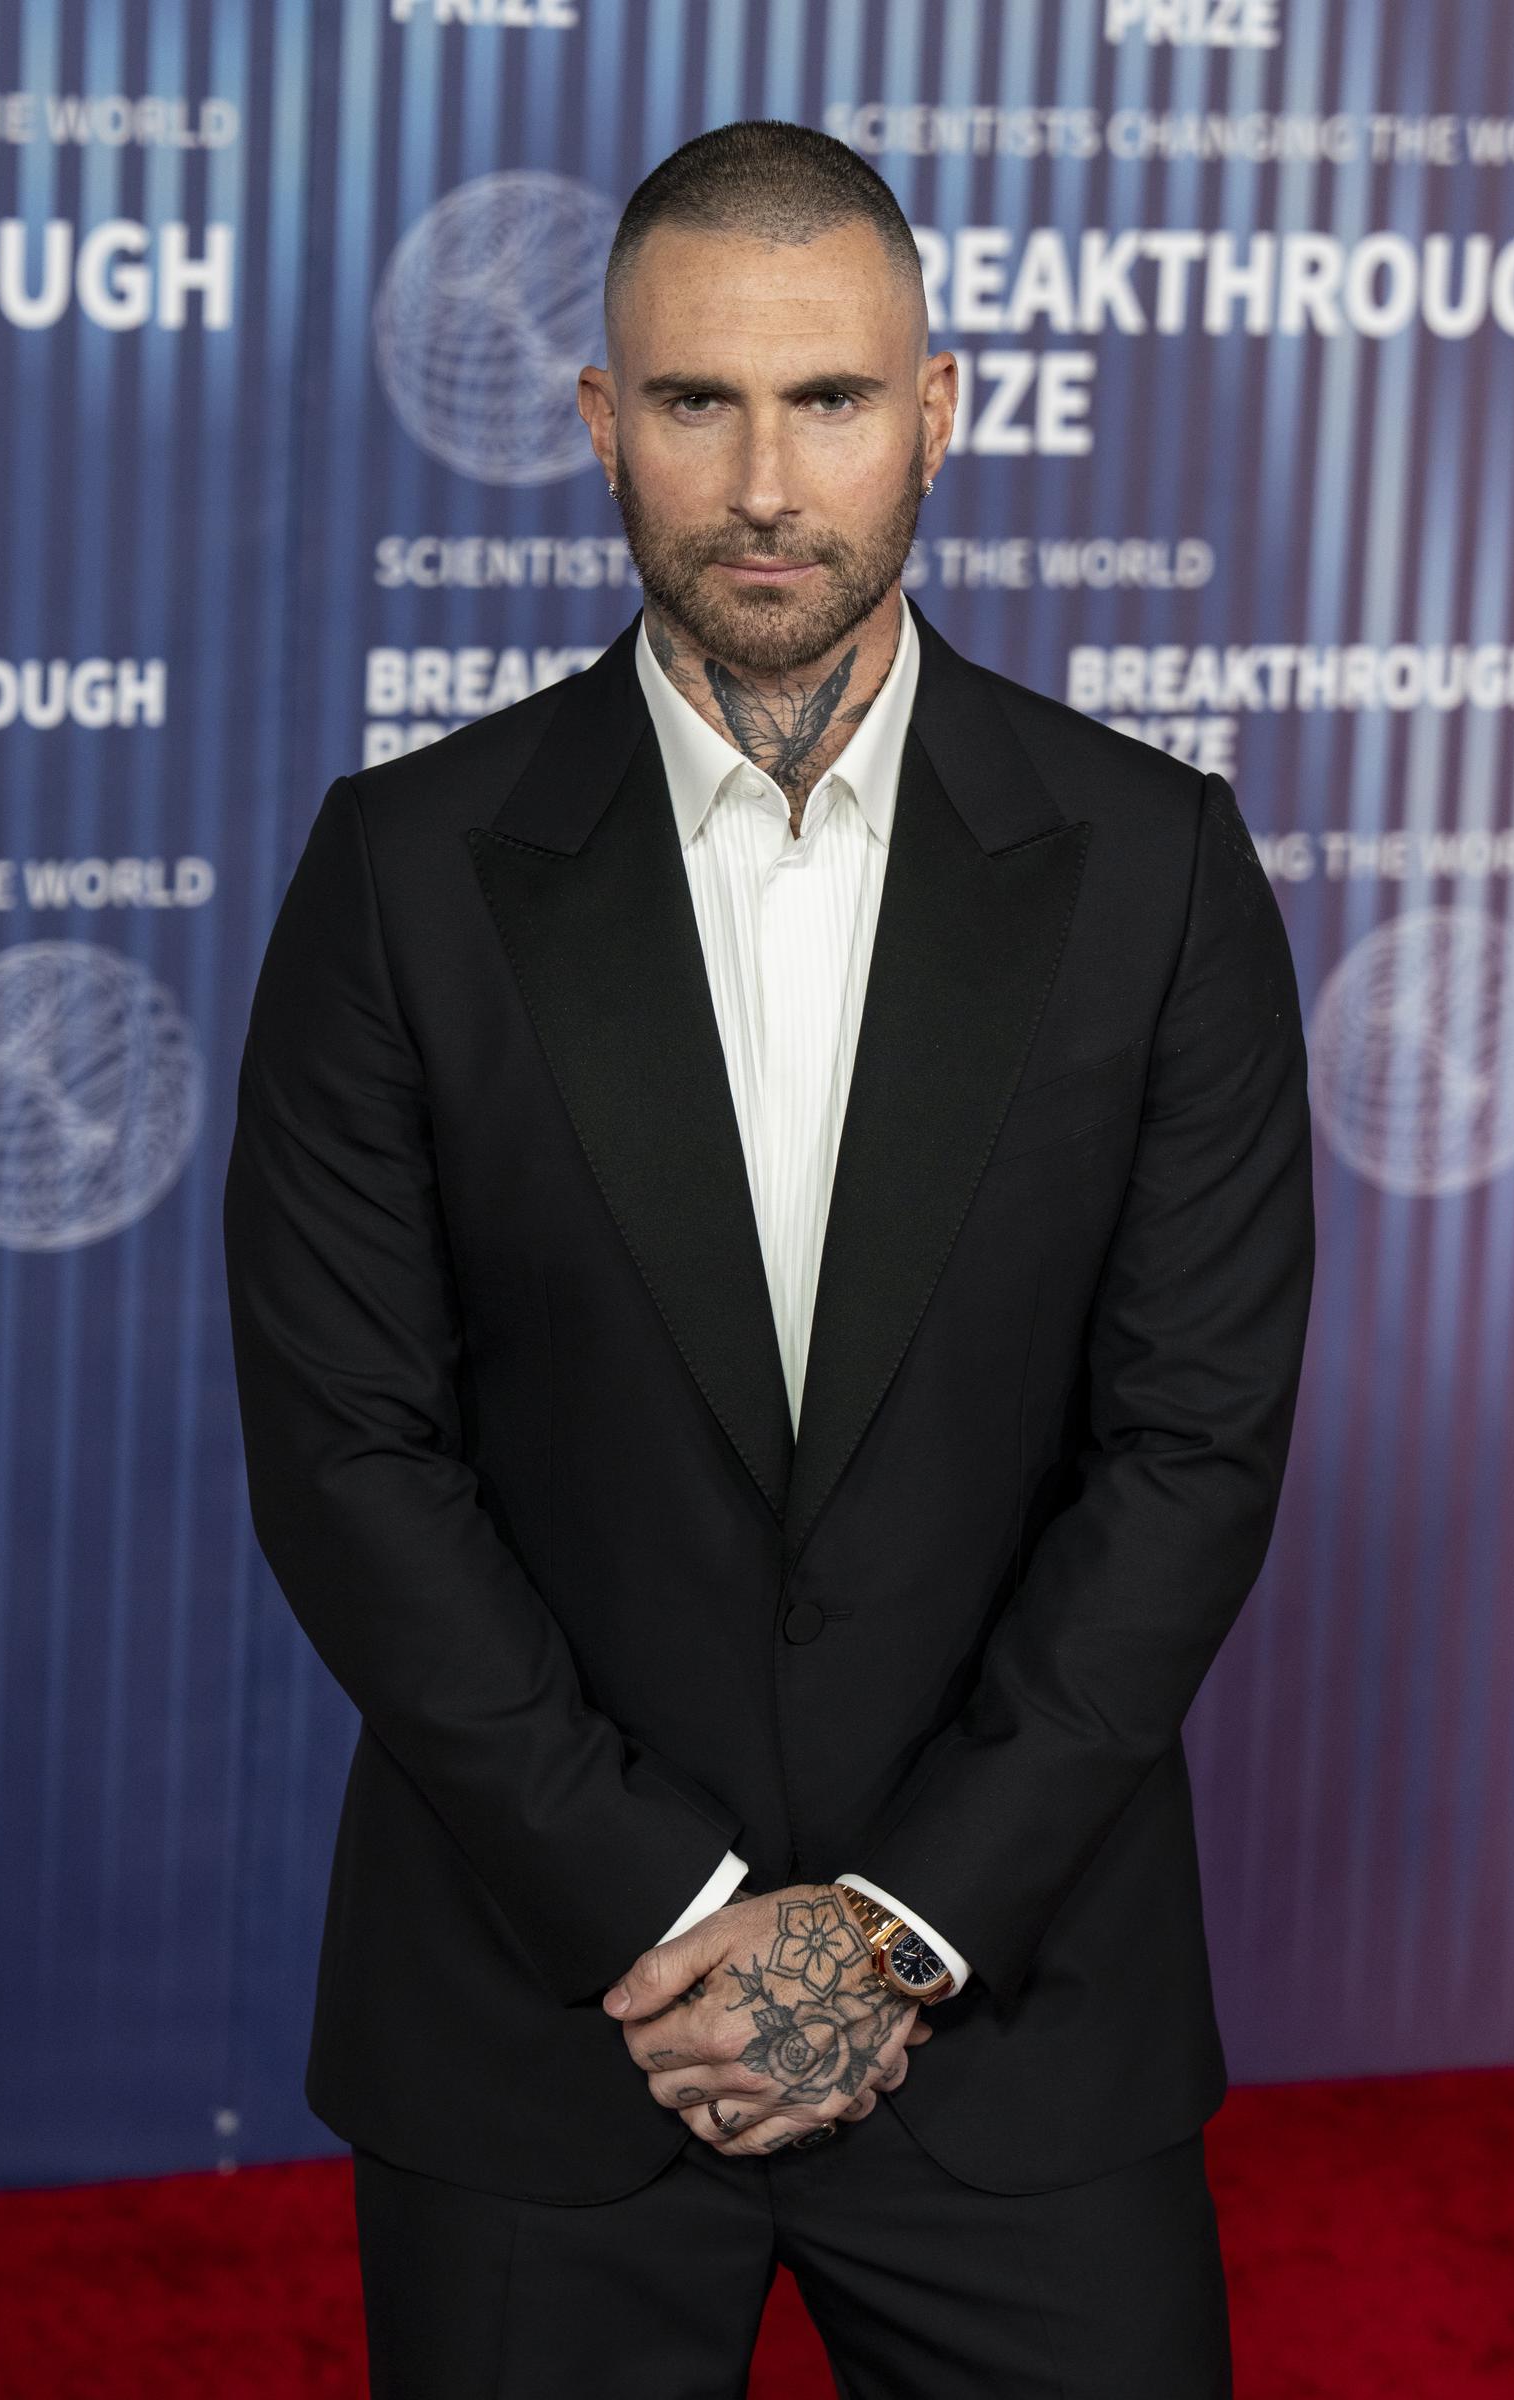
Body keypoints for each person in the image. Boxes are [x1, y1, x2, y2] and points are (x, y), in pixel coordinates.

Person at [223, 116, 1314, 2399]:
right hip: (546, 2028)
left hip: (1017, 2021)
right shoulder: (406, 873)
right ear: (599, 419)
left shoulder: (1151, 868)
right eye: (695, 401)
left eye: (825, 399)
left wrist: (896, 1936)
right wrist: (681, 1923)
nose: (760, 485)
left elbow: (1187, 1454)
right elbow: (350, 1458)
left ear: (934, 411)